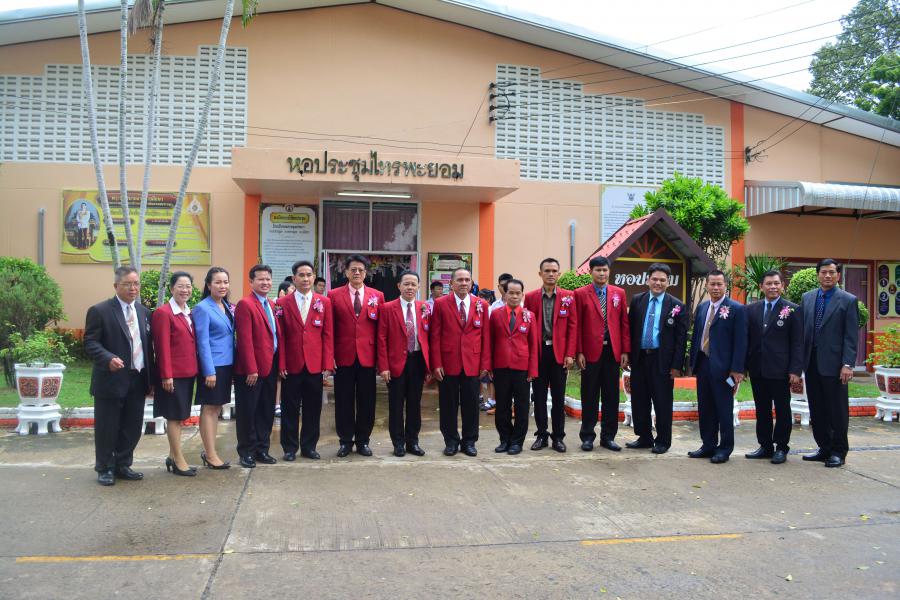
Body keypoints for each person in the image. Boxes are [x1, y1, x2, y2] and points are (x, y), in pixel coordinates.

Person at [84, 266, 154, 486]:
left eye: (136, 284)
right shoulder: (100, 310)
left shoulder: (144, 312)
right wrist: (107, 358)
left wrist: (151, 379)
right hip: (111, 379)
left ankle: (123, 464)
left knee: (132, 426)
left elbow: (147, 347)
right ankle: (105, 467)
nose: (133, 288)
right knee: (108, 427)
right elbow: (90, 342)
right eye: (127, 284)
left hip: (138, 378)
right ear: (116, 286)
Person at [800, 259, 858, 468]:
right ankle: (824, 447)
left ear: (838, 275)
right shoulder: (807, 298)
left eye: (832, 272)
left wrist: (847, 364)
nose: (827, 276)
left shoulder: (848, 300)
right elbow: (802, 331)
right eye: (824, 272)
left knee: (837, 410)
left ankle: (838, 451)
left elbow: (851, 335)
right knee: (817, 408)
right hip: (811, 362)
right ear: (818, 274)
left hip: (835, 365)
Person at [626, 263, 688, 455]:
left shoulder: (676, 305)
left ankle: (663, 440)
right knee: (639, 400)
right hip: (639, 359)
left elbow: (681, 339)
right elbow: (630, 330)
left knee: (662, 402)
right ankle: (644, 437)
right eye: (654, 279)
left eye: (662, 280)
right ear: (648, 280)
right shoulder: (637, 300)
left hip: (662, 362)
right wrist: (627, 355)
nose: (658, 283)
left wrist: (676, 366)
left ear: (668, 282)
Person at [430, 267, 491, 457]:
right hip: (448, 363)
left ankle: (469, 442)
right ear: (451, 283)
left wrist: (485, 364)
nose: (464, 283)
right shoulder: (440, 304)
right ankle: (450, 441)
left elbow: (486, 337)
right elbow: (435, 336)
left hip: (473, 363)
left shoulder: (482, 304)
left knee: (471, 405)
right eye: (460, 280)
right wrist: (436, 363)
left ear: (471, 283)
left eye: (467, 280)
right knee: (448, 405)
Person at [688, 270, 748, 464]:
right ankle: (708, 445)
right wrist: (693, 363)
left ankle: (725, 448)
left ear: (725, 286)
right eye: (712, 284)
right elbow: (697, 335)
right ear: (707, 285)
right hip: (703, 364)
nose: (715, 288)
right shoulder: (703, 307)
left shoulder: (737, 309)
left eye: (719, 284)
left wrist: (737, 369)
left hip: (725, 369)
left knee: (724, 410)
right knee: (705, 408)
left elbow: (741, 341)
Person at [277, 260, 334, 461]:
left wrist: (328, 363)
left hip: (314, 365)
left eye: (309, 275)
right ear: (294, 278)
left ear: (313, 277)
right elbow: (280, 336)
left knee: (313, 408)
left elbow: (328, 334)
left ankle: (309, 447)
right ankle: (289, 448)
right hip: (291, 365)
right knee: (289, 408)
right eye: (301, 275)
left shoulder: (324, 302)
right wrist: (281, 363)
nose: (305, 278)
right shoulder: (282, 303)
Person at [744, 269, 803, 465]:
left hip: (781, 371)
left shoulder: (792, 310)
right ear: (761, 287)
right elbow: (747, 340)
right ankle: (765, 446)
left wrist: (795, 370)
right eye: (769, 284)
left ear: (782, 286)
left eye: (776, 283)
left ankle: (781, 447)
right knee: (762, 410)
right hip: (757, 369)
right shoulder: (751, 309)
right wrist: (743, 367)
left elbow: (797, 342)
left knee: (782, 410)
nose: (773, 287)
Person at [328, 254, 384, 457]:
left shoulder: (377, 296)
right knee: (343, 400)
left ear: (366, 273)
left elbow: (381, 330)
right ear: (346, 272)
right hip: (343, 356)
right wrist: (330, 357)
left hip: (368, 356)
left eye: (360, 270)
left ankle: (363, 441)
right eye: (353, 269)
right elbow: (329, 329)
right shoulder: (333, 295)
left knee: (367, 401)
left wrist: (381, 360)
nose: (357, 273)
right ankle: (345, 441)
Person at [575, 256, 630, 452]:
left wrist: (625, 350)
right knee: (589, 395)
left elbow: (624, 323)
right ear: (591, 272)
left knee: (611, 397)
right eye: (598, 270)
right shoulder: (580, 294)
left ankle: (608, 437)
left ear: (609, 271)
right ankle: (587, 437)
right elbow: (577, 325)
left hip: (612, 352)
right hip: (589, 352)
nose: (602, 273)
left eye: (605, 270)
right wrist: (579, 351)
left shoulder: (619, 293)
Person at [524, 258, 577, 452]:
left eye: (554, 271)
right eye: (547, 271)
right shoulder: (530, 297)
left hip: (559, 354)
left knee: (558, 397)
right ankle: (541, 435)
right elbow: (527, 327)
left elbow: (573, 326)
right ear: (540, 274)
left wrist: (570, 353)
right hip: (539, 353)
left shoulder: (568, 296)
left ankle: (558, 437)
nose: (551, 274)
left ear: (559, 274)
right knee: (538, 397)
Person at [377, 271, 431, 457]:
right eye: (406, 284)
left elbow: (428, 336)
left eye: (413, 284)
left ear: (418, 287)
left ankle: (412, 442)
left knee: (414, 405)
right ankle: (398, 443)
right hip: (395, 364)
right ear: (399, 286)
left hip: (417, 362)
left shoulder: (424, 307)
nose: (410, 287)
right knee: (396, 405)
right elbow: (381, 339)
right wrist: (383, 366)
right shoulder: (387, 308)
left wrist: (429, 365)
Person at [151, 271, 199, 477]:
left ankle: (172, 456)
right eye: (180, 286)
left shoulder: (188, 312)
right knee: (174, 417)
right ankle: (179, 460)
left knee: (180, 416)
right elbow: (161, 347)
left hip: (188, 373)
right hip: (173, 375)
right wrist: (166, 375)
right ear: (171, 289)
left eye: (188, 286)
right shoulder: (163, 313)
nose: (185, 290)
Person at [234, 264, 281, 469]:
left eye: (268, 279)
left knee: (265, 411)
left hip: (270, 366)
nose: (265, 283)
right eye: (261, 279)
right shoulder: (245, 304)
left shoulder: (270, 304)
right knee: (248, 411)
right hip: (251, 371)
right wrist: (251, 368)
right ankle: (246, 452)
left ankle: (262, 449)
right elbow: (244, 340)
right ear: (251, 282)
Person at [489, 278, 538, 455]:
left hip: (522, 368)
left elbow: (533, 345)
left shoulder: (529, 316)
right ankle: (505, 439)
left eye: (518, 293)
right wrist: (489, 366)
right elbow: (490, 342)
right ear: (505, 293)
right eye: (511, 293)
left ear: (522, 295)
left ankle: (517, 442)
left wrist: (532, 370)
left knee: (522, 406)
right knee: (502, 406)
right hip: (501, 367)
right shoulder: (495, 314)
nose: (514, 296)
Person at [192, 267, 235, 470]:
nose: (222, 286)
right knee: (209, 409)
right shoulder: (203, 308)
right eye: (218, 282)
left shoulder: (226, 305)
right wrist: (209, 371)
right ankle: (210, 454)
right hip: (213, 366)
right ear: (209, 285)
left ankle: (211, 451)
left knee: (216, 408)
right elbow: (202, 342)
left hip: (227, 364)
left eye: (225, 282)